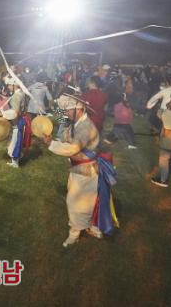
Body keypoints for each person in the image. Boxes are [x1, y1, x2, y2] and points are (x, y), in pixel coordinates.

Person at [43, 91, 117, 247]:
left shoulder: (86, 127)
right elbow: (67, 140)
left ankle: (75, 234)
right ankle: (92, 227)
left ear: (79, 109)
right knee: (87, 201)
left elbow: (73, 149)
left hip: (87, 171)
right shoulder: (76, 123)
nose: (67, 113)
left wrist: (51, 144)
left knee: (75, 201)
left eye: (69, 110)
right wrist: (54, 139)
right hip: (79, 168)